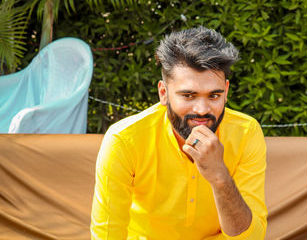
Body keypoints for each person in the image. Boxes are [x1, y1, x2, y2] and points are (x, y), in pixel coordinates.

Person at [90, 26, 267, 239]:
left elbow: (252, 237)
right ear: (163, 93)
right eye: (188, 96)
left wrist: (219, 176)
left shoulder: (246, 132)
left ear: (226, 91)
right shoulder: (124, 140)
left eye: (214, 96)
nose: (202, 110)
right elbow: (108, 235)